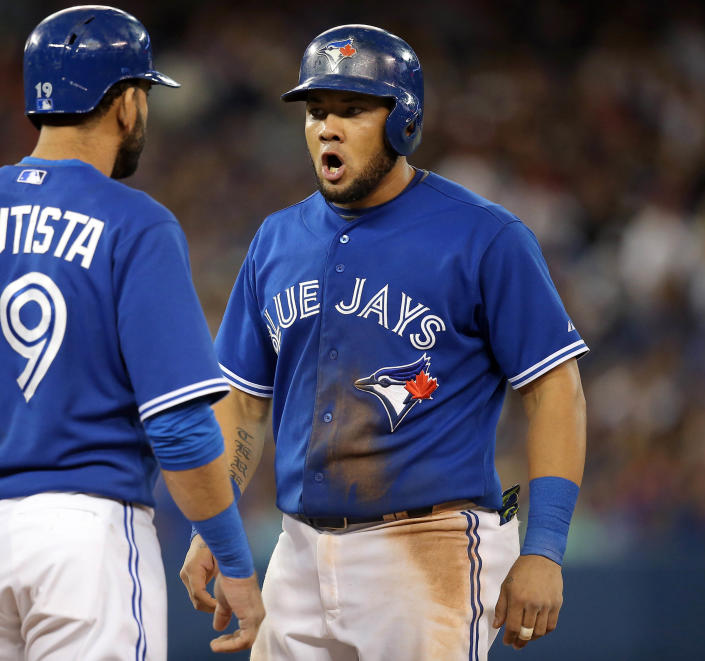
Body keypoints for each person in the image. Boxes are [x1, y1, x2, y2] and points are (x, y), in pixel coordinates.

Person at [0, 6, 263, 660]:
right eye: (142, 94)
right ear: (123, 103)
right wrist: (233, 556)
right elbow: (179, 427)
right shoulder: (137, 224)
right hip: (84, 540)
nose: (143, 111)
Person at [180, 24, 587, 660]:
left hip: (430, 546)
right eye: (316, 112)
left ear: (403, 122)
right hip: (297, 551)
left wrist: (544, 548)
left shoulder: (484, 236)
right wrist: (219, 521)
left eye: (352, 110)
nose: (326, 128)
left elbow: (555, 391)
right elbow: (245, 402)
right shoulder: (275, 240)